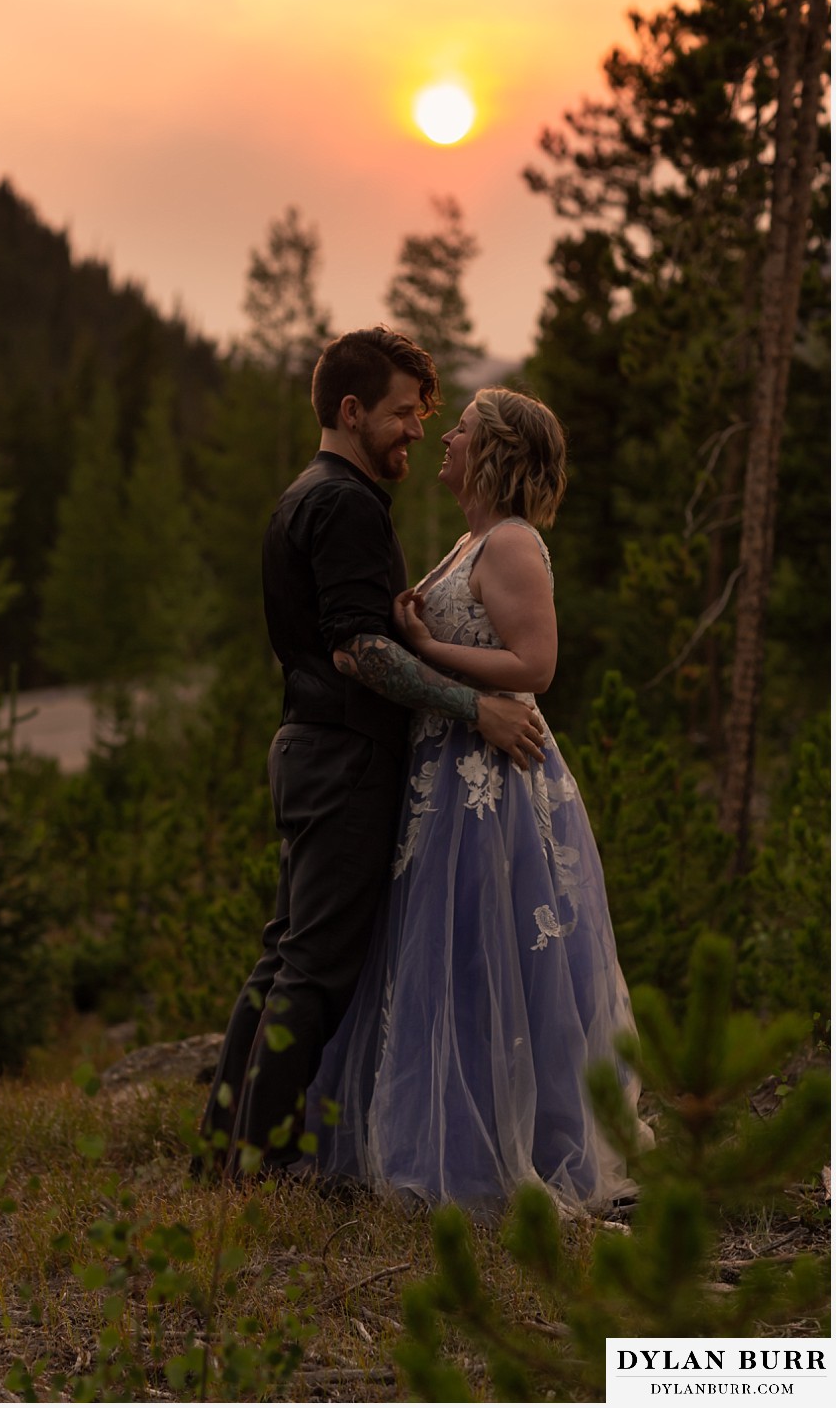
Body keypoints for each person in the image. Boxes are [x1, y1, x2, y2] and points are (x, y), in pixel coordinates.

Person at [199, 333, 546, 1179]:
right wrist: (477, 708)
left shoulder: (305, 495)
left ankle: (224, 1150)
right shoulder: (347, 504)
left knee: (286, 951)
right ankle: (259, 1161)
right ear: (350, 412)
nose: (415, 432)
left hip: (310, 749)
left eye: (426, 417)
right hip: (345, 755)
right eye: (400, 413)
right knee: (313, 968)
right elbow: (361, 652)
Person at [303, 385, 652, 1217]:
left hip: (492, 783)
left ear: (493, 449)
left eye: (459, 428)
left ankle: (512, 1152)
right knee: (444, 960)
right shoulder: (473, 540)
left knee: (490, 957)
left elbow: (536, 666)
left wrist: (424, 643)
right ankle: (434, 1140)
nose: (444, 438)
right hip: (447, 773)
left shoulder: (514, 543)